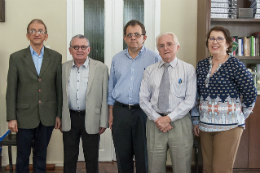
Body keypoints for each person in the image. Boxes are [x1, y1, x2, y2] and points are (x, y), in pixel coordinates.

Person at [191, 26, 257, 173]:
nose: (215, 42)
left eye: (220, 38)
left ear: (228, 43)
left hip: (229, 126)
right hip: (205, 125)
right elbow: (196, 94)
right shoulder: (201, 65)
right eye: (211, 38)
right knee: (207, 168)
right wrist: (195, 120)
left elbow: (250, 92)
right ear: (207, 42)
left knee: (221, 169)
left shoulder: (235, 65)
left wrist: (242, 114)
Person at [6, 19, 62, 173]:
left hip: (48, 115)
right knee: (22, 156)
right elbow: (11, 89)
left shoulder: (56, 57)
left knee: (41, 155)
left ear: (46, 36)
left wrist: (58, 114)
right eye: (32, 30)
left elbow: (59, 88)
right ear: (27, 35)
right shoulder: (16, 58)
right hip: (24, 116)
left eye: (40, 31)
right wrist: (11, 117)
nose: (36, 33)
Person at [108, 20, 161, 173]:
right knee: (122, 153)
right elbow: (112, 86)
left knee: (143, 153)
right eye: (129, 35)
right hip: (120, 111)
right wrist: (111, 113)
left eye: (137, 34)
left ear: (144, 37)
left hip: (143, 112)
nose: (133, 38)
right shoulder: (116, 59)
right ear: (125, 38)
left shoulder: (154, 58)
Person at [139, 32, 196, 173]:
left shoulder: (188, 69)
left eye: (169, 44)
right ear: (158, 49)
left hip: (180, 122)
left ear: (177, 47)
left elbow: (190, 100)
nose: (166, 48)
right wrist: (158, 119)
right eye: (161, 45)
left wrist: (168, 118)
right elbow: (143, 99)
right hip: (155, 122)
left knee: (182, 166)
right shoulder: (150, 71)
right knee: (154, 167)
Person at [61, 34, 108, 173]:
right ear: (70, 50)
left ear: (89, 49)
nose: (79, 50)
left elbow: (105, 96)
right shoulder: (63, 68)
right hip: (70, 118)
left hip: (92, 118)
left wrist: (103, 121)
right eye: (76, 47)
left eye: (83, 47)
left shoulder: (101, 68)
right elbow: (59, 95)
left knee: (92, 157)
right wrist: (59, 117)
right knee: (69, 157)